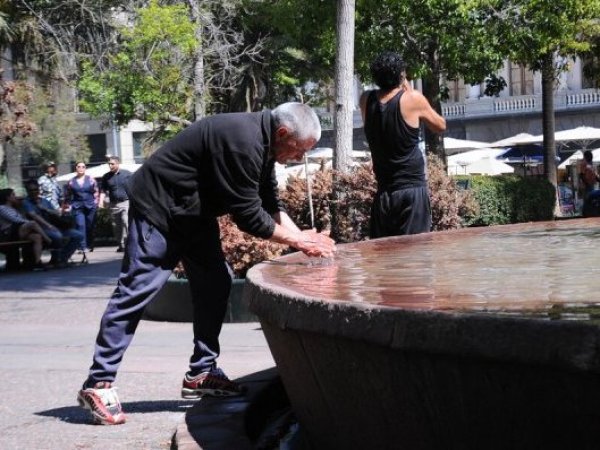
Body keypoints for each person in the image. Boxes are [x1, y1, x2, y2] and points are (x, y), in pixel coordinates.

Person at [76, 102, 336, 426]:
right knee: (135, 292)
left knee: (216, 282)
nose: (299, 157)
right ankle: (98, 384)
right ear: (283, 133)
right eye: (299, 149)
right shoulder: (242, 141)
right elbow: (249, 216)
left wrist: (304, 238)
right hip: (159, 211)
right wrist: (300, 242)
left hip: (193, 214)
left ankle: (202, 371)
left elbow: (268, 201)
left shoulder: (265, 143)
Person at [359, 51, 446, 238]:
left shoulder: (366, 100)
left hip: (384, 193)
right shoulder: (412, 99)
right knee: (414, 250)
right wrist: (406, 85)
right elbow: (440, 126)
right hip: (411, 191)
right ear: (401, 75)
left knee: (383, 250)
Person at [22, 181, 84, 267]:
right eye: (31, 190)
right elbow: (34, 216)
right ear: (27, 191)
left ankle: (63, 258)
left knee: (78, 235)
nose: (33, 192)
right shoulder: (26, 202)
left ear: (38, 190)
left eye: (35, 189)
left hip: (55, 226)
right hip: (40, 229)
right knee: (58, 236)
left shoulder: (44, 201)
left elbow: (56, 213)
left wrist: (45, 209)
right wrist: (49, 226)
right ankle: (56, 259)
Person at [0, 188, 52, 270]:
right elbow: (15, 220)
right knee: (33, 223)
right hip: (8, 233)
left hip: (19, 231)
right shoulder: (2, 208)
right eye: (13, 195)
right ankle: (47, 239)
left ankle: (37, 262)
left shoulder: (13, 208)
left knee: (37, 237)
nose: (15, 197)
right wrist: (28, 223)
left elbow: (21, 219)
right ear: (7, 197)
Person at [99, 156, 132, 252]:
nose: (110, 166)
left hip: (126, 202)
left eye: (112, 164)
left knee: (125, 222)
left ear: (118, 164)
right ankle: (121, 245)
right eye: (109, 164)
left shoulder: (127, 174)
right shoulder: (106, 177)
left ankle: (128, 244)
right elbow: (103, 190)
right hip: (113, 205)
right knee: (116, 226)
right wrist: (100, 201)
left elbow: (134, 186)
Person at [65, 162, 99, 252]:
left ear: (85, 168)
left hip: (90, 205)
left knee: (90, 226)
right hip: (77, 206)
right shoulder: (71, 181)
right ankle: (82, 246)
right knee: (80, 225)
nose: (81, 168)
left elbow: (96, 192)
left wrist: (96, 203)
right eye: (79, 167)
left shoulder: (91, 180)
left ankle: (90, 244)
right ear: (76, 168)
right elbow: (67, 195)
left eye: (83, 167)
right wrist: (69, 205)